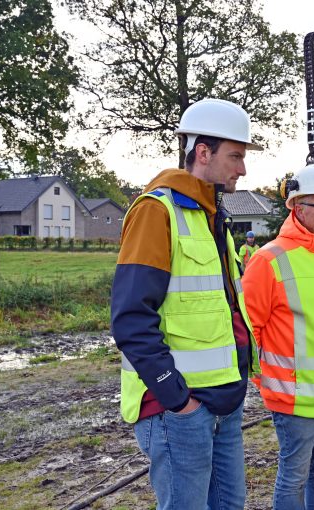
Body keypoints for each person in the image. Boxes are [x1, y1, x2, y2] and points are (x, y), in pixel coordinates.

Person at [111, 98, 261, 510]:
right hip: (180, 410)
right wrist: (178, 401)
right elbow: (130, 320)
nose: (242, 169)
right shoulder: (156, 213)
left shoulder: (213, 218)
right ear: (203, 153)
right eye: (236, 156)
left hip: (223, 403)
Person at [241, 163, 314, 510]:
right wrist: (266, 381)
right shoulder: (268, 260)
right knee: (294, 475)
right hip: (293, 398)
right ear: (297, 207)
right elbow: (251, 331)